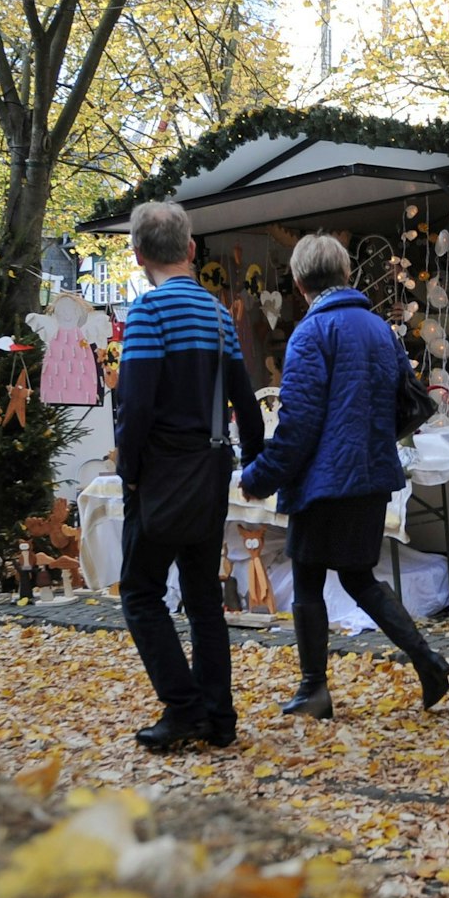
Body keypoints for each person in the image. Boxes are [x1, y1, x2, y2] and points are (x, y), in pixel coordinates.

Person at [239, 232, 449, 719]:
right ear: (347, 274)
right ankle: (427, 661)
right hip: (371, 477)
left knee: (310, 583)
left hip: (324, 484)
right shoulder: (379, 330)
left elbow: (298, 425)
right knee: (359, 578)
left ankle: (315, 688)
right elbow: (410, 401)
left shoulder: (311, 335)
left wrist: (260, 476)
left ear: (297, 283)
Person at [114, 201, 265, 752]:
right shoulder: (219, 315)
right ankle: (219, 718)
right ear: (192, 250)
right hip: (208, 469)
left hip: (160, 472)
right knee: (203, 598)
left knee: (140, 592)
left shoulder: (147, 315)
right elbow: (246, 404)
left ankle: (183, 708)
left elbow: (135, 406)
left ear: (137, 257)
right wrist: (255, 465)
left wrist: (128, 474)